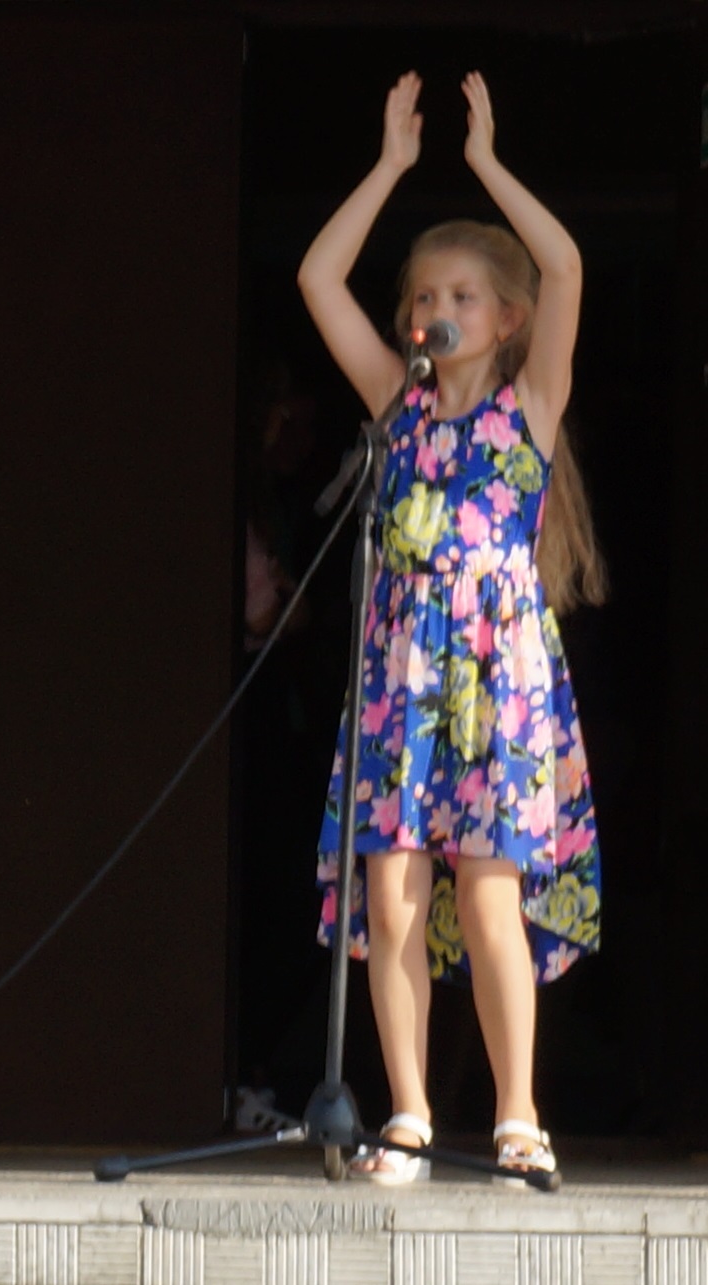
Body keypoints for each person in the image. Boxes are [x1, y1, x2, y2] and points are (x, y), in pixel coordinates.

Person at [297, 71, 604, 1186]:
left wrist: (483, 164)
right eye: (424, 295)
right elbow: (317, 277)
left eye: (464, 295)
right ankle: (408, 1115)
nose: (437, 309)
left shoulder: (529, 409)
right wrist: (388, 166)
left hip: (495, 681)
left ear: (507, 320)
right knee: (389, 899)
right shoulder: (396, 404)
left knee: (486, 896)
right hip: (400, 679)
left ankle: (518, 1114)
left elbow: (564, 265)